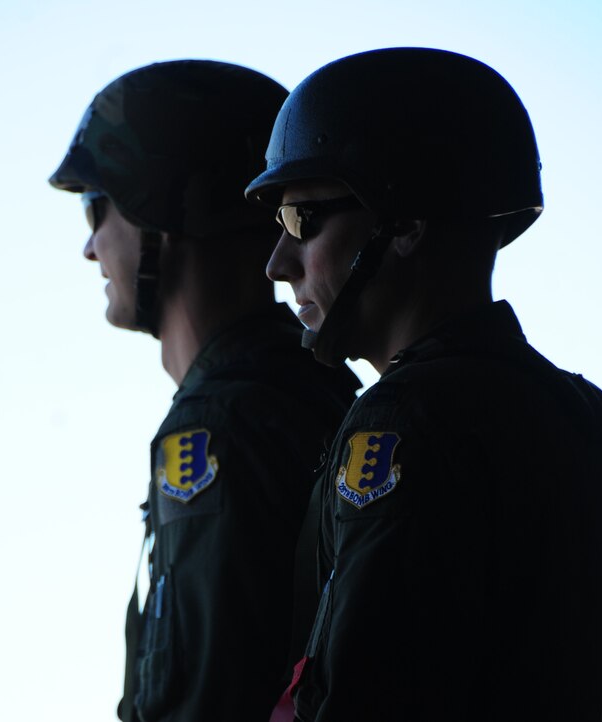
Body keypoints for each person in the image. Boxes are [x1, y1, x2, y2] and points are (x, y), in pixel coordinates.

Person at [245, 48, 602, 721]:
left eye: (301, 221)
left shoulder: (406, 424)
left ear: (404, 222)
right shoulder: (578, 422)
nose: (278, 263)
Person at [49, 60, 361, 722]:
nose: (89, 245)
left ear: (155, 212)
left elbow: (203, 698)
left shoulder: (219, 425)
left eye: (96, 206)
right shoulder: (320, 390)